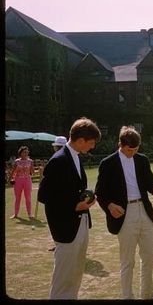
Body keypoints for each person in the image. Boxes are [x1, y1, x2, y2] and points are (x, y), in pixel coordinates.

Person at [95, 126, 153, 299]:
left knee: (149, 257)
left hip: (144, 211)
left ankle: (147, 294)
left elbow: (150, 182)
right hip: (124, 214)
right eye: (129, 149)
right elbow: (100, 193)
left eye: (136, 149)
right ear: (120, 144)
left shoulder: (142, 160)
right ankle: (128, 296)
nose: (132, 152)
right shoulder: (107, 163)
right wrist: (110, 206)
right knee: (128, 261)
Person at [37, 117, 101, 299]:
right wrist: (74, 205)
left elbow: (71, 189)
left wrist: (86, 199)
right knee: (63, 277)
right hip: (65, 228)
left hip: (81, 222)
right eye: (91, 143)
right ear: (80, 141)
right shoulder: (58, 160)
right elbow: (45, 196)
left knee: (75, 274)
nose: (93, 147)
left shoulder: (76, 157)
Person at [47, 136, 68, 252]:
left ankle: (60, 244)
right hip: (61, 198)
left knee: (58, 224)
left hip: (59, 199)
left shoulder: (57, 159)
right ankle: (59, 243)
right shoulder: (64, 158)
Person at [9, 146, 34, 219]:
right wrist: (10, 179)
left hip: (27, 180)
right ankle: (16, 214)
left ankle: (29, 214)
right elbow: (13, 171)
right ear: (21, 153)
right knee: (17, 198)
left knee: (28, 198)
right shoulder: (17, 161)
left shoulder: (31, 161)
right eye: (24, 152)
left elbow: (32, 172)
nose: (26, 153)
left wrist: (36, 170)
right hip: (18, 180)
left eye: (27, 152)